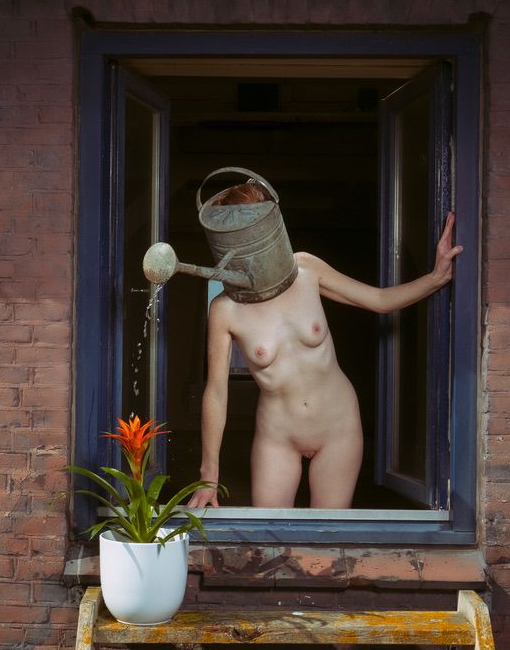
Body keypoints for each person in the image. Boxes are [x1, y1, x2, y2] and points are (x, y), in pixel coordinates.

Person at [185, 182, 461, 510]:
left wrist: (436, 277)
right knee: (270, 539)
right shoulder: (224, 308)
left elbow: (379, 300)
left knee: (326, 542)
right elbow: (216, 392)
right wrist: (208, 473)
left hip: (337, 426)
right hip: (278, 435)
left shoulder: (306, 269)